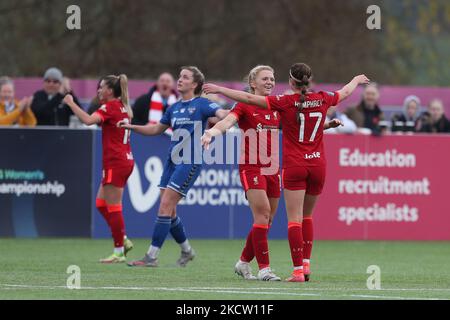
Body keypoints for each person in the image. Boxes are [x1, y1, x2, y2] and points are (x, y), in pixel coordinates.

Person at [203, 63, 369, 282]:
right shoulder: (244, 105)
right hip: (251, 166)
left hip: (273, 168)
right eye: (265, 79)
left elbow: (297, 125)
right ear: (253, 83)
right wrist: (211, 132)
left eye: (272, 78)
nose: (270, 82)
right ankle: (265, 269)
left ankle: (243, 262)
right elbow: (227, 122)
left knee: (267, 220)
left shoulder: (279, 106)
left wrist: (326, 126)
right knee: (262, 214)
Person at [120, 66, 229, 268]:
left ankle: (151, 257)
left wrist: (233, 114)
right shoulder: (174, 108)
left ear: (195, 84)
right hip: (172, 160)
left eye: (185, 77)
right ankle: (187, 251)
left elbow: (221, 113)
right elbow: (155, 129)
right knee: (169, 211)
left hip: (190, 161)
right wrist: (132, 127)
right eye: (179, 77)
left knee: (164, 206)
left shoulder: (202, 104)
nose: (179, 80)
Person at [63, 75, 135, 263]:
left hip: (116, 162)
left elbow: (87, 120)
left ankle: (118, 251)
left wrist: (71, 103)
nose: (98, 90)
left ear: (110, 91)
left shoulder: (110, 107)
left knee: (114, 207)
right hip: (123, 160)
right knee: (101, 204)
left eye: (101, 87)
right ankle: (123, 240)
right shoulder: (123, 106)